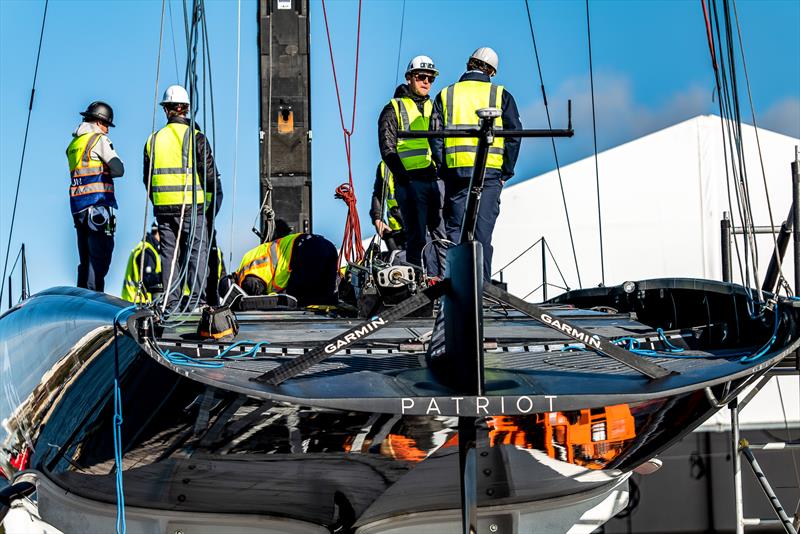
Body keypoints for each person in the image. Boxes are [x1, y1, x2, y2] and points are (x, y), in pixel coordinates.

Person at [429, 47, 522, 280]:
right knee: (482, 236)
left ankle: (454, 289)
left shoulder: (446, 94)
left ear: (469, 64)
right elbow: (514, 135)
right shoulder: (501, 94)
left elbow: (435, 136)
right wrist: (505, 172)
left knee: (455, 233)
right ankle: (481, 292)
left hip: (456, 174)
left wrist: (444, 168)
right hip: (490, 175)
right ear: (491, 70)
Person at [143, 85, 221, 311]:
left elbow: (147, 179)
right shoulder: (196, 137)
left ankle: (171, 303)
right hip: (192, 207)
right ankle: (198, 302)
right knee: (197, 251)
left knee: (169, 253)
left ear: (166, 110)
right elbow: (209, 177)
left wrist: (158, 201)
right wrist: (207, 206)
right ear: (186, 109)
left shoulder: (153, 140)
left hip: (164, 208)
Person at [378, 55, 446, 276]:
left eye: (430, 78)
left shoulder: (437, 107)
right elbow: (387, 148)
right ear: (409, 78)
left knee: (442, 236)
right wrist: (404, 178)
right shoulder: (394, 108)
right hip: (410, 182)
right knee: (416, 238)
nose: (426, 82)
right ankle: (418, 288)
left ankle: (446, 283)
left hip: (434, 179)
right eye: (421, 77)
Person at [66, 101, 124, 292]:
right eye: (106, 125)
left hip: (78, 207)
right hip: (97, 206)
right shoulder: (98, 140)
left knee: (85, 258)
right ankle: (93, 298)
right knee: (99, 257)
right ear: (99, 121)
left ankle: (81, 298)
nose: (107, 130)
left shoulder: (74, 143)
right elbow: (119, 169)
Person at [232, 220, 338, 307]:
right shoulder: (249, 259)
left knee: (295, 302)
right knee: (325, 302)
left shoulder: (245, 277)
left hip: (305, 251)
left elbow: (257, 300)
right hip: (327, 247)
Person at [121, 223, 162, 303]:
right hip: (139, 301)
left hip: (131, 300)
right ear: (158, 232)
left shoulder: (143, 247)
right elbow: (147, 278)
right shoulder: (147, 251)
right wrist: (164, 277)